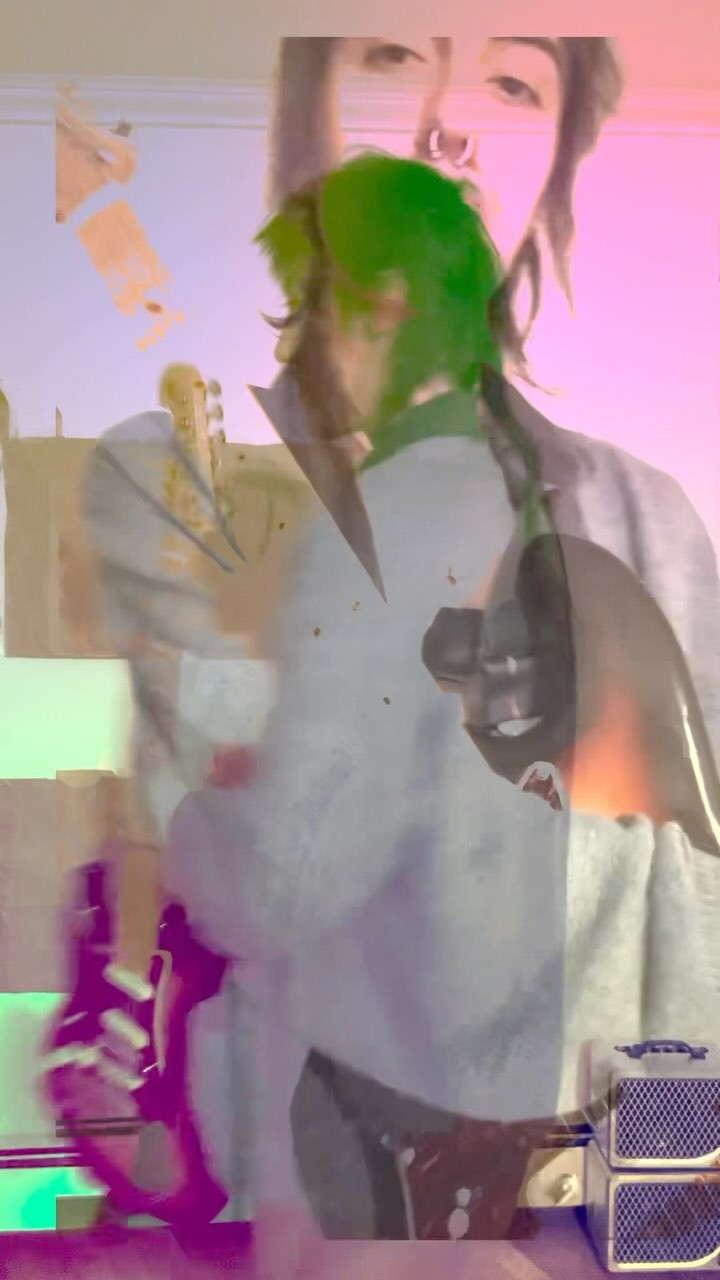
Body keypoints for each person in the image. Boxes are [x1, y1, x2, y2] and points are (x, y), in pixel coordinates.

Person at [84, 33, 720, 1270]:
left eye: (514, 79)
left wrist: (203, 820)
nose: (448, 121)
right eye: (388, 52)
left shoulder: (606, 519)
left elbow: (285, 881)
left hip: (468, 1205)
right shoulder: (200, 502)